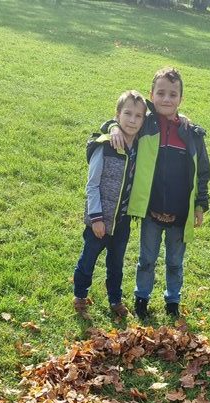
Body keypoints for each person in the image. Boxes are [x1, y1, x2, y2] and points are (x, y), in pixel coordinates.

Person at [107, 67, 210, 319]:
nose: (166, 99)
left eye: (173, 94)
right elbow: (122, 120)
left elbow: (203, 172)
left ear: (181, 99)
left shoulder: (192, 134)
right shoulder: (145, 125)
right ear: (151, 95)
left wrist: (200, 205)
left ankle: (172, 300)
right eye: (161, 93)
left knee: (175, 262)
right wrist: (113, 128)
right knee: (146, 259)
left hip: (180, 214)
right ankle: (141, 297)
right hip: (151, 211)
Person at [73, 90, 146, 318]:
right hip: (100, 219)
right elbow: (92, 185)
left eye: (138, 116)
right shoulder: (104, 145)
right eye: (127, 114)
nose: (132, 120)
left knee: (116, 264)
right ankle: (80, 297)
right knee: (88, 260)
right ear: (117, 115)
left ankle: (115, 300)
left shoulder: (140, 147)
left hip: (122, 220)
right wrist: (96, 218)